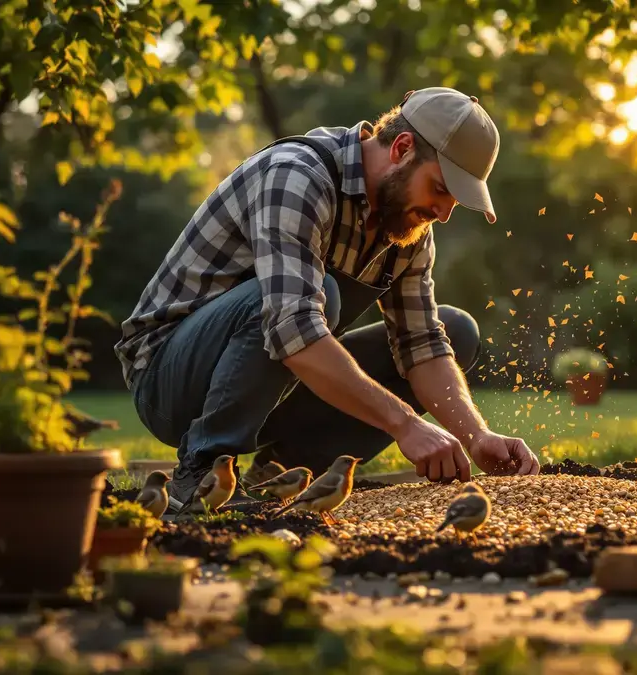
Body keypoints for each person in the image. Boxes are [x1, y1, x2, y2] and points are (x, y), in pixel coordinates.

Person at [114, 87, 541, 512]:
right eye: (441, 189)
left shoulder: (407, 230)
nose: (444, 212)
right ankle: (201, 469)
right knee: (319, 298)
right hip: (169, 382)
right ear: (403, 148)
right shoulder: (297, 177)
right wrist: (406, 425)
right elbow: (294, 328)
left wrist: (476, 436)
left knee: (456, 330)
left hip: (272, 383)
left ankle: (281, 474)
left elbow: (421, 343)